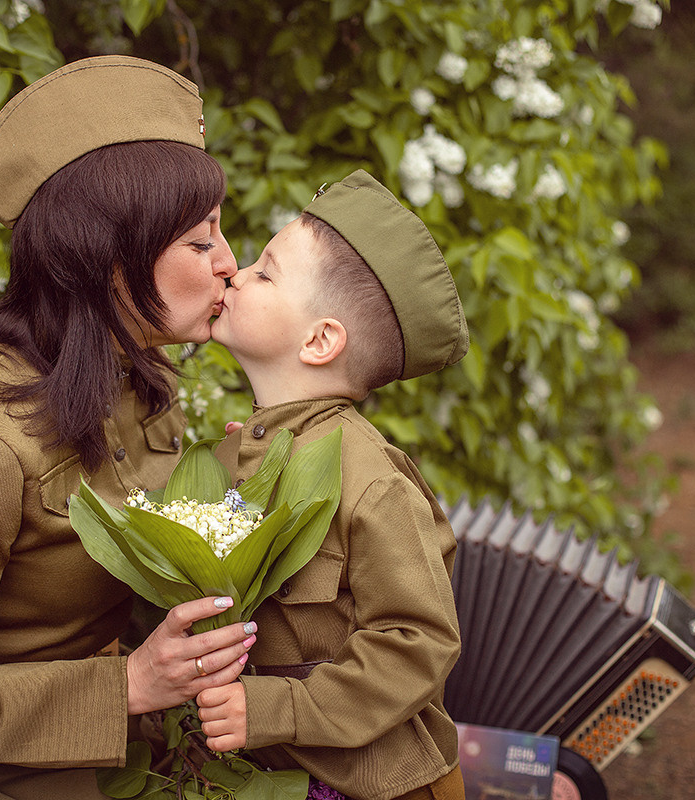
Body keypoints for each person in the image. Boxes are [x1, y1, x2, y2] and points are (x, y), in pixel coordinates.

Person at [0, 56, 257, 799]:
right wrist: (128, 686)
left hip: (108, 766)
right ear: (108, 260)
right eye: (201, 242)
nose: (231, 264)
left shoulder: (131, 385)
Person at [197, 170, 470, 800]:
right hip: (267, 775)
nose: (235, 272)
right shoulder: (238, 453)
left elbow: (418, 642)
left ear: (320, 340)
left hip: (377, 784)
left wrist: (273, 709)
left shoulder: (369, 478)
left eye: (265, 273)